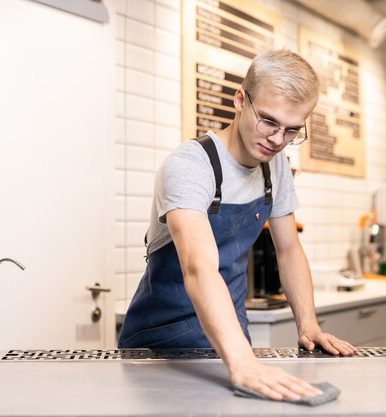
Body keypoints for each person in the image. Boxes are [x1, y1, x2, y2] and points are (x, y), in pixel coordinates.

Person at [118, 49, 356, 401]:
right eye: (269, 121)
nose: (277, 140)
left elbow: (289, 250)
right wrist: (242, 362)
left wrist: (308, 326)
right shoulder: (189, 166)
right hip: (161, 349)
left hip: (231, 340)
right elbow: (199, 269)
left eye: (291, 131)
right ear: (240, 99)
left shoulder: (274, 167)